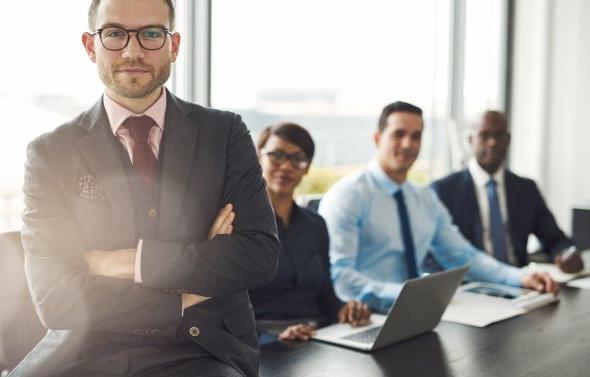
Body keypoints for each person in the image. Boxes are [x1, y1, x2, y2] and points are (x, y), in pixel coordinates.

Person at [10, 0, 279, 376]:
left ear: (175, 45)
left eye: (152, 33)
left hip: (201, 349)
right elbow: (57, 300)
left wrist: (127, 262)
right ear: (91, 46)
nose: (133, 50)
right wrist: (189, 290)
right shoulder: (50, 153)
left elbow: (258, 256)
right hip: (82, 350)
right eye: (115, 34)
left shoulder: (225, 134)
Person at [318, 101, 557, 314]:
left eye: (416, 136)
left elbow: (463, 255)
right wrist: (405, 296)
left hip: (418, 315)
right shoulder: (348, 196)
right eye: (398, 134)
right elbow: (340, 275)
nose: (407, 144)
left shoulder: (425, 199)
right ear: (378, 138)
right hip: (363, 317)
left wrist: (519, 277)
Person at [249, 122, 371, 344]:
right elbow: (226, 308)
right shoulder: (239, 224)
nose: (287, 166)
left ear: (306, 167)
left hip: (316, 337)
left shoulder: (315, 225)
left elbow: (325, 296)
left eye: (298, 158)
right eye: (277, 155)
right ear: (259, 158)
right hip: (260, 343)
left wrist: (346, 308)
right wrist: (274, 336)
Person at [432, 110, 583, 273]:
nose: (492, 143)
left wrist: (568, 253)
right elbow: (434, 254)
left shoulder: (526, 189)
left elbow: (555, 239)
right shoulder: (445, 190)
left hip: (521, 283)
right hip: (470, 285)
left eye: (499, 136)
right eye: (484, 136)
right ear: (470, 140)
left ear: (508, 140)